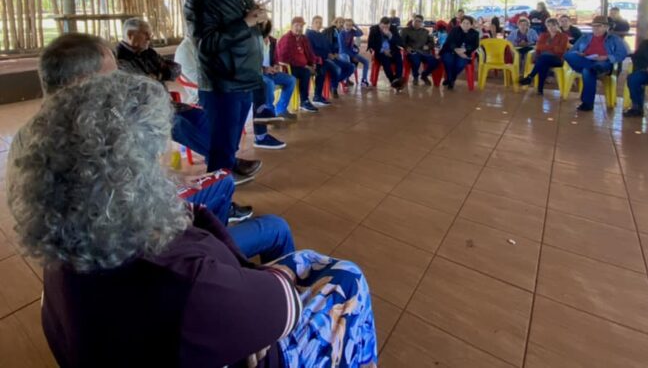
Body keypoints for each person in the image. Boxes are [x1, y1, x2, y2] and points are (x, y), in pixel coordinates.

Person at [7, 71, 378, 368]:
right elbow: (286, 304)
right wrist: (248, 305)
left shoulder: (64, 252)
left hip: (142, 339)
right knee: (345, 275)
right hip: (217, 318)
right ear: (136, 172)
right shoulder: (188, 278)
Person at [7, 33, 296, 258]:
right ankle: (215, 251)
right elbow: (141, 219)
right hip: (156, 250)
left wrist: (169, 182)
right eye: (112, 77)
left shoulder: (29, 141)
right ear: (82, 83)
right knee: (275, 228)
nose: (119, 83)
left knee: (221, 181)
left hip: (133, 237)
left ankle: (217, 236)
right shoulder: (97, 140)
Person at [184, 0, 263, 179]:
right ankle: (220, 207)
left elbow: (253, 25)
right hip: (222, 85)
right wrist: (246, 23)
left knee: (228, 143)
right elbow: (205, 43)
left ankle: (227, 175)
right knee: (219, 148)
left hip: (244, 79)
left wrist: (261, 20)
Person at [117, 18, 213, 164]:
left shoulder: (148, 52)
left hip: (166, 104)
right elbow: (141, 85)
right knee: (178, 123)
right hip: (142, 110)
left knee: (202, 117)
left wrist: (156, 76)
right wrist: (159, 74)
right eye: (145, 34)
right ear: (130, 34)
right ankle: (223, 159)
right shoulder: (118, 58)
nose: (150, 38)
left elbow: (175, 69)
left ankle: (215, 157)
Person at [176, 25, 287, 151]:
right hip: (204, 92)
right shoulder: (185, 50)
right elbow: (196, 79)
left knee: (260, 83)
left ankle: (260, 125)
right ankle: (234, 143)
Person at [564, 15, 628, 111]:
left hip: (603, 62)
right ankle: (593, 69)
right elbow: (573, 50)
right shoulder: (585, 37)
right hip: (586, 60)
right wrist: (580, 53)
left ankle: (587, 103)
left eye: (599, 26)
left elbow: (622, 53)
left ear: (606, 27)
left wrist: (606, 57)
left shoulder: (614, 39)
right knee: (568, 56)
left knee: (587, 72)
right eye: (594, 26)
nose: (595, 28)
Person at [276, 16, 322, 112]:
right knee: (305, 72)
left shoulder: (303, 38)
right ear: (292, 26)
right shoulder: (286, 39)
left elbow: (309, 53)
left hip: (303, 66)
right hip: (289, 68)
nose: (299, 28)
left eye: (301, 26)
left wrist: (313, 62)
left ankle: (318, 96)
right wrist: (305, 66)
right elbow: (284, 57)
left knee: (321, 68)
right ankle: (304, 101)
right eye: (297, 25)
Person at [306, 15, 355, 99]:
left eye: (320, 23)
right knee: (337, 69)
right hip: (320, 59)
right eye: (316, 22)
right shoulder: (309, 35)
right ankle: (333, 87)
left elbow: (329, 46)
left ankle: (333, 84)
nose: (318, 24)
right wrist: (327, 55)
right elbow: (312, 50)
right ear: (312, 23)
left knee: (351, 67)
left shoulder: (321, 35)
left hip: (330, 57)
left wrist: (334, 53)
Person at [519, 18, 569, 94]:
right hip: (543, 58)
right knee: (544, 62)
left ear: (558, 26)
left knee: (543, 59)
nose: (551, 28)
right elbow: (539, 47)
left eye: (553, 25)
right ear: (546, 27)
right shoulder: (544, 35)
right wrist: (552, 47)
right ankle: (539, 90)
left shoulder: (563, 36)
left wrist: (547, 47)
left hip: (557, 59)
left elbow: (560, 50)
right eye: (549, 26)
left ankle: (530, 77)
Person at [259, 21, 297, 121]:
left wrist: (276, 65)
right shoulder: (253, 40)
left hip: (271, 72)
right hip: (258, 74)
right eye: (263, 26)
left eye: (268, 26)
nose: (266, 28)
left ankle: (281, 110)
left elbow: (275, 58)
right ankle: (270, 114)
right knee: (269, 83)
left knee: (291, 80)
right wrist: (264, 69)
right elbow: (249, 62)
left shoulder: (272, 40)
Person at [440, 15, 479, 90]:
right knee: (448, 61)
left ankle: (450, 79)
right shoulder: (454, 30)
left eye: (468, 23)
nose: (465, 25)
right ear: (460, 23)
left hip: (464, 53)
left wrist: (464, 50)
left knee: (460, 64)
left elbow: (475, 45)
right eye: (464, 22)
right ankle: (450, 79)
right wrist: (456, 50)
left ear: (471, 25)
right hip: (450, 50)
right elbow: (449, 41)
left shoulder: (475, 33)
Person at [368, 16, 405, 89]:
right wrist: (383, 50)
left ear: (390, 25)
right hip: (380, 51)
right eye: (383, 27)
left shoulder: (393, 28)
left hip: (392, 50)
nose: (385, 29)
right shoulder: (374, 29)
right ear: (380, 24)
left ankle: (397, 78)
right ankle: (393, 80)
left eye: (387, 27)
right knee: (386, 62)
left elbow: (400, 42)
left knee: (399, 59)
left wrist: (390, 35)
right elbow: (371, 44)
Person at [401, 14, 438, 85]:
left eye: (419, 21)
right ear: (412, 21)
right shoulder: (405, 30)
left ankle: (424, 75)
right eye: (416, 21)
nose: (417, 23)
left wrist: (428, 46)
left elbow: (432, 43)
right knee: (416, 60)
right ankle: (415, 77)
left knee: (435, 62)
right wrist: (406, 47)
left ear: (422, 23)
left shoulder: (426, 32)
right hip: (413, 52)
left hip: (424, 52)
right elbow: (401, 42)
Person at [339, 17, 371, 87]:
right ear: (344, 25)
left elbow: (361, 33)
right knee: (347, 60)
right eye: (347, 25)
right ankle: (345, 79)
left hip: (351, 53)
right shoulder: (341, 34)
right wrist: (353, 56)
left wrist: (355, 26)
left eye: (350, 25)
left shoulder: (352, 31)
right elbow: (343, 48)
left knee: (366, 61)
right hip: (343, 53)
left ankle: (364, 80)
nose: (348, 27)